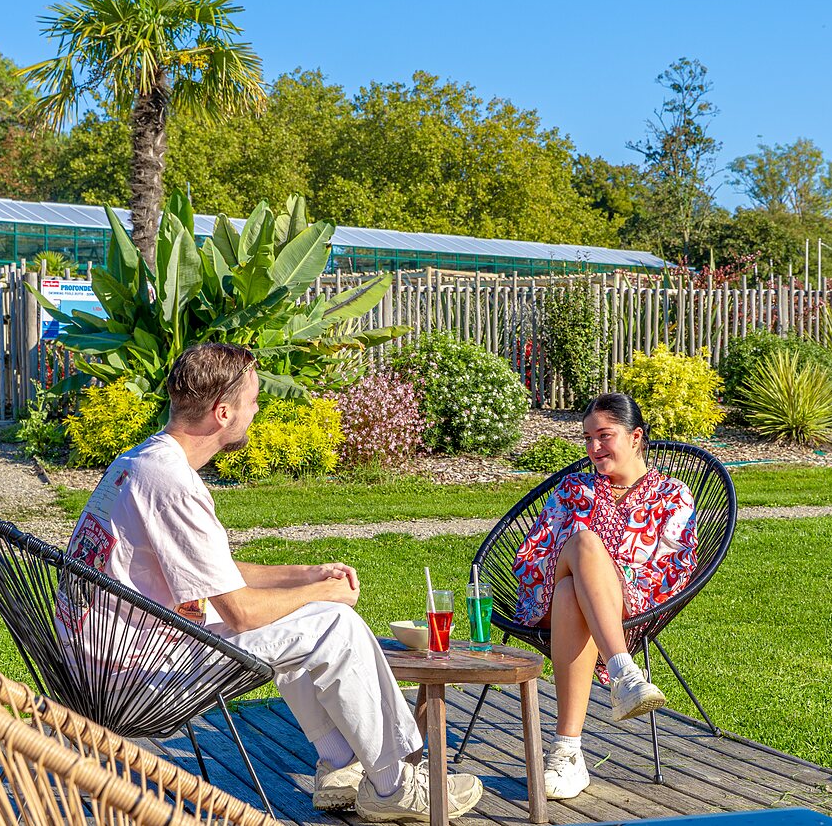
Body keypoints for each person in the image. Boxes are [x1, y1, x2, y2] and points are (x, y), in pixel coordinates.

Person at [63, 342, 482, 822]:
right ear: (223, 412)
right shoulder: (173, 484)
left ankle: (340, 764)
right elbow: (241, 612)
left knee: (304, 620)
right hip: (137, 681)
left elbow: (214, 571)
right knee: (333, 625)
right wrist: (325, 593)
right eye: (253, 400)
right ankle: (395, 786)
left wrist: (305, 576)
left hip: (104, 661)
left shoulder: (141, 462)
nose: (257, 410)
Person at [511, 392, 697, 800]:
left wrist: (598, 577)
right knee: (582, 546)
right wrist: (584, 556)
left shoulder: (672, 495)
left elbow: (673, 569)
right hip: (546, 585)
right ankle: (624, 675)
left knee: (571, 593)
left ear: (635, 438)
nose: (594, 448)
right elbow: (532, 552)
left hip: (630, 604)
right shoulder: (575, 487)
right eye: (588, 438)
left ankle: (567, 753)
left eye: (604, 436)